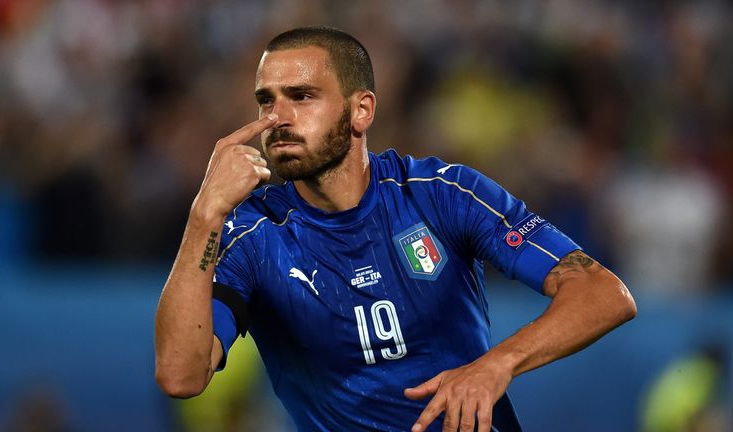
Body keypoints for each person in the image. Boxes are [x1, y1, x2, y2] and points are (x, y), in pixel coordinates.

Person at [154, 26, 637, 432]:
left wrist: (497, 364)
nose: (276, 118)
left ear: (361, 110)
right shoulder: (251, 235)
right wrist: (204, 216)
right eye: (266, 100)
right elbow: (180, 376)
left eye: (302, 96)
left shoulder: (442, 194)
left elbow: (605, 294)